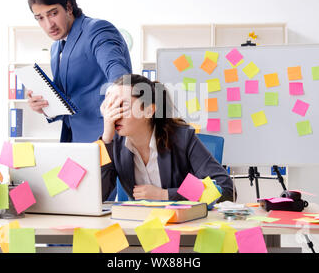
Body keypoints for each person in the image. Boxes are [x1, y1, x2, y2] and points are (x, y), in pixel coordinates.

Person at [99, 74, 236, 202]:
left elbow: (226, 189)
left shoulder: (182, 138)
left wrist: (165, 194)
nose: (113, 115)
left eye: (122, 106)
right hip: (140, 222)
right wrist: (106, 140)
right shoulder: (112, 144)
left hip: (182, 223)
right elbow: (97, 197)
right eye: (111, 106)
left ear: (148, 110)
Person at [26, 0, 132, 142]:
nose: (49, 25)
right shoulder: (56, 49)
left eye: (53, 13)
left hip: (106, 138)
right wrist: (44, 106)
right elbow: (68, 100)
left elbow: (117, 72)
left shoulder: (97, 30)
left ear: (68, 7)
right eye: (40, 18)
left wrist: (120, 87)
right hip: (74, 140)